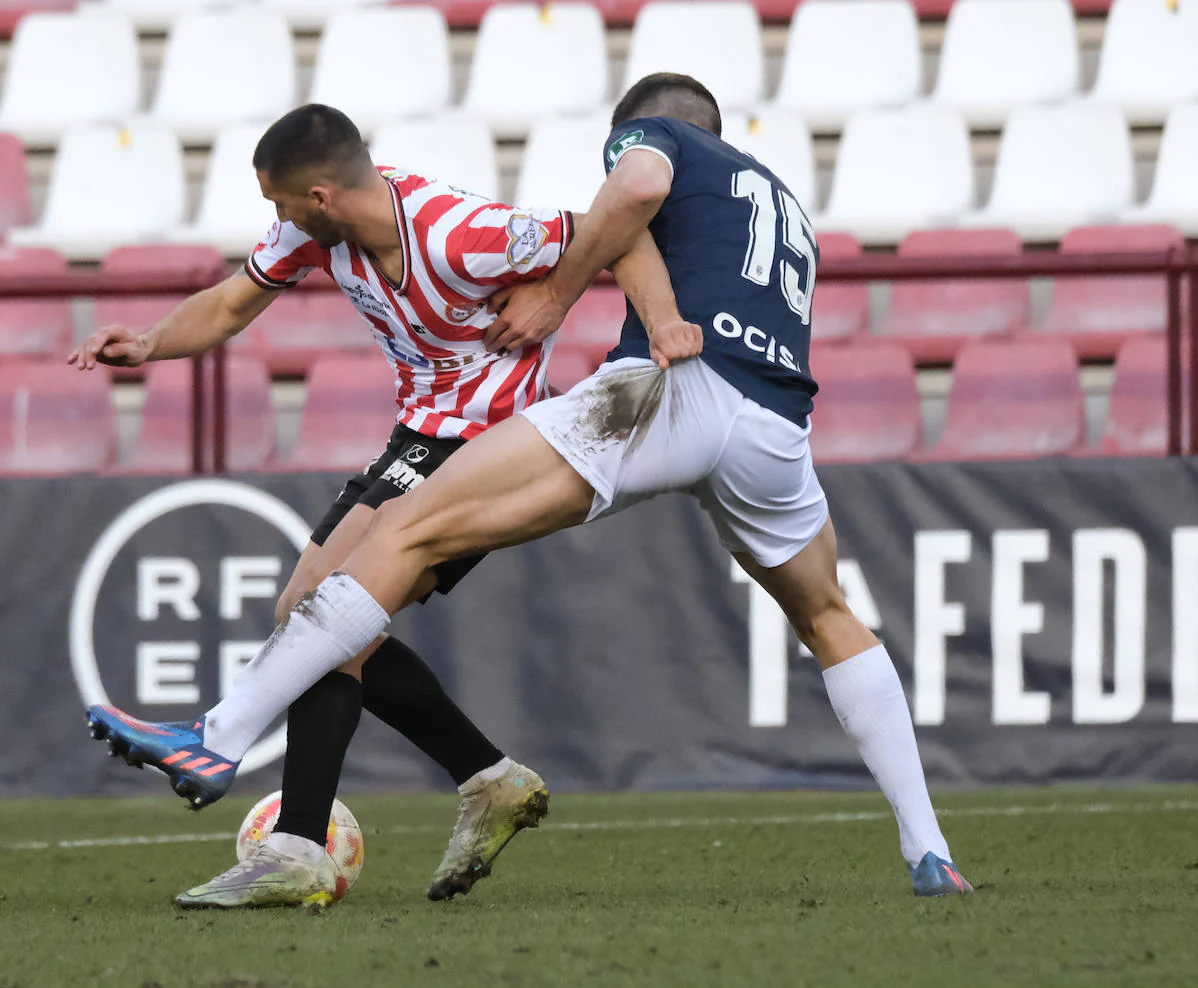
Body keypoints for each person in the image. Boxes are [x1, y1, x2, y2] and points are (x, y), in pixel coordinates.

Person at [102, 74, 972, 904]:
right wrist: (148, 342)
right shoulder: (780, 203)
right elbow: (226, 304)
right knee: (828, 615)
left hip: (661, 392)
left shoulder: (620, 153)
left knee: (386, 546)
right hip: (775, 424)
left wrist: (579, 299)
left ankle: (225, 749)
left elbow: (629, 197)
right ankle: (928, 846)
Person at [75, 104, 585, 909]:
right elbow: (232, 303)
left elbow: (609, 228)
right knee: (306, 613)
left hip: (492, 444)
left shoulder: (458, 230)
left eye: (278, 202)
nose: (272, 219)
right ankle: (488, 780)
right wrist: (149, 341)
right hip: (420, 436)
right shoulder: (319, 233)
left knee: (323, 618)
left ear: (320, 196)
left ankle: (296, 846)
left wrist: (556, 294)